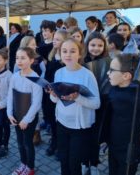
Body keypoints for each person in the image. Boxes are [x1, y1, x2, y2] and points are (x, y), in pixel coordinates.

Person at [49, 38, 100, 175]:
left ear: (80, 54)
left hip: (80, 128)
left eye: (72, 51)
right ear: (60, 53)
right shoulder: (59, 73)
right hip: (61, 124)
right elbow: (54, 100)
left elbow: (96, 103)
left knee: (74, 163)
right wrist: (53, 95)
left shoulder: (87, 75)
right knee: (64, 160)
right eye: (64, 51)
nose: (68, 55)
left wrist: (77, 97)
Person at [103, 54, 140, 175]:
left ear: (126, 76)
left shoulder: (138, 98)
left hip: (128, 151)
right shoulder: (114, 87)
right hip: (113, 146)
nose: (108, 73)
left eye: (112, 70)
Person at [7, 47, 43, 175]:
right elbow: (10, 96)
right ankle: (23, 163)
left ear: (31, 60)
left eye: (23, 58)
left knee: (28, 143)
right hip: (17, 116)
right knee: (20, 142)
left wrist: (26, 120)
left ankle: (30, 167)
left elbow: (36, 103)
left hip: (29, 119)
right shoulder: (15, 76)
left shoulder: (36, 79)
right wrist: (9, 113)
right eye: (17, 58)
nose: (19, 61)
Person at [83, 32, 111, 175]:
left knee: (95, 136)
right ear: (87, 45)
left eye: (100, 45)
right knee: (83, 136)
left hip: (101, 105)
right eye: (93, 45)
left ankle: (93, 163)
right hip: (83, 104)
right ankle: (84, 162)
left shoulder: (108, 61)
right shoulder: (81, 61)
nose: (96, 48)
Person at [44, 30, 69, 158]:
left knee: (60, 122)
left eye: (58, 39)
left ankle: (61, 146)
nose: (54, 41)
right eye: (54, 38)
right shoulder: (52, 56)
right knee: (53, 121)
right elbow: (48, 75)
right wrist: (46, 86)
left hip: (62, 95)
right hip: (51, 94)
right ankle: (54, 143)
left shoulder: (66, 59)